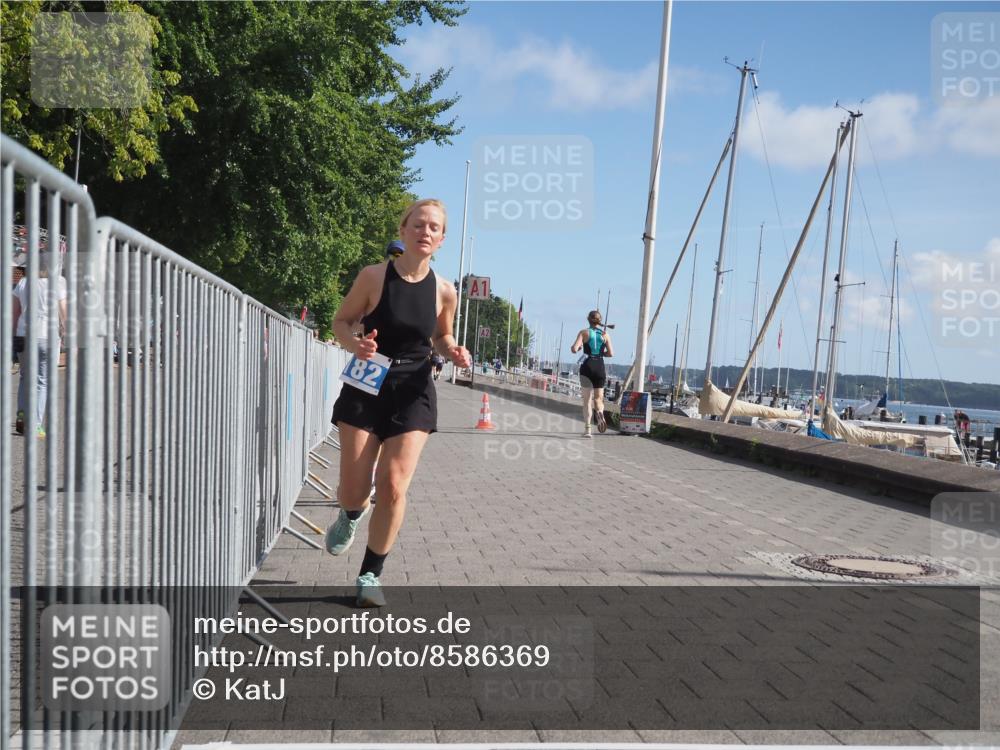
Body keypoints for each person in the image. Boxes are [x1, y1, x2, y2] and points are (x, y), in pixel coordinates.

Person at [328, 199, 470, 606]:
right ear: (404, 230)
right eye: (419, 224)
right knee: (355, 490)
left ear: (441, 240)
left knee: (392, 485)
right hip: (367, 381)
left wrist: (454, 350)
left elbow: (441, 337)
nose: (426, 232)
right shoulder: (374, 277)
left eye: (434, 228)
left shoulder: (445, 291)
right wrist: (356, 344)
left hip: (413, 386)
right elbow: (341, 321)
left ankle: (371, 574)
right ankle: (351, 513)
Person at [11, 260, 67, 438]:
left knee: (24, 376)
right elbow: (64, 312)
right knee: (42, 380)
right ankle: (35, 425)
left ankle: (21, 413)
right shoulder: (57, 281)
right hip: (46, 335)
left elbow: (14, 312)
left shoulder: (23, 282)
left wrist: (12, 335)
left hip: (22, 334)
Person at [570, 310, 613, 438]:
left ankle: (588, 429)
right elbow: (611, 353)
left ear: (588, 320)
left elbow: (574, 349)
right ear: (599, 321)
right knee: (598, 399)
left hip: (587, 366)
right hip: (599, 366)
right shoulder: (605, 335)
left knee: (587, 401)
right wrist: (601, 354)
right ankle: (599, 412)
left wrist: (578, 348)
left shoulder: (584, 333)